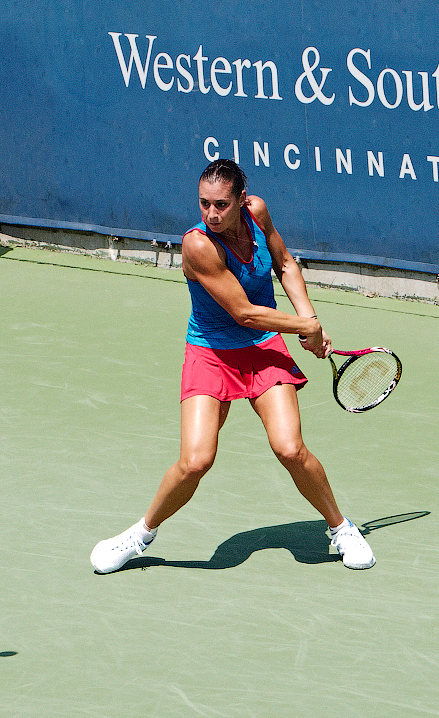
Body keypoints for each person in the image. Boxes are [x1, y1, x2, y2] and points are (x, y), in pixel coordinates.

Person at [91, 159, 375, 573]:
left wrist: (310, 320)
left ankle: (342, 528)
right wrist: (304, 326)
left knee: (290, 448)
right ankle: (139, 534)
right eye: (204, 204)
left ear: (243, 200)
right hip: (211, 352)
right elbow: (243, 312)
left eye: (221, 204)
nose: (211, 214)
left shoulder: (258, 214)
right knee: (195, 461)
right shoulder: (198, 244)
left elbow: (284, 265)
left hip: (262, 347)